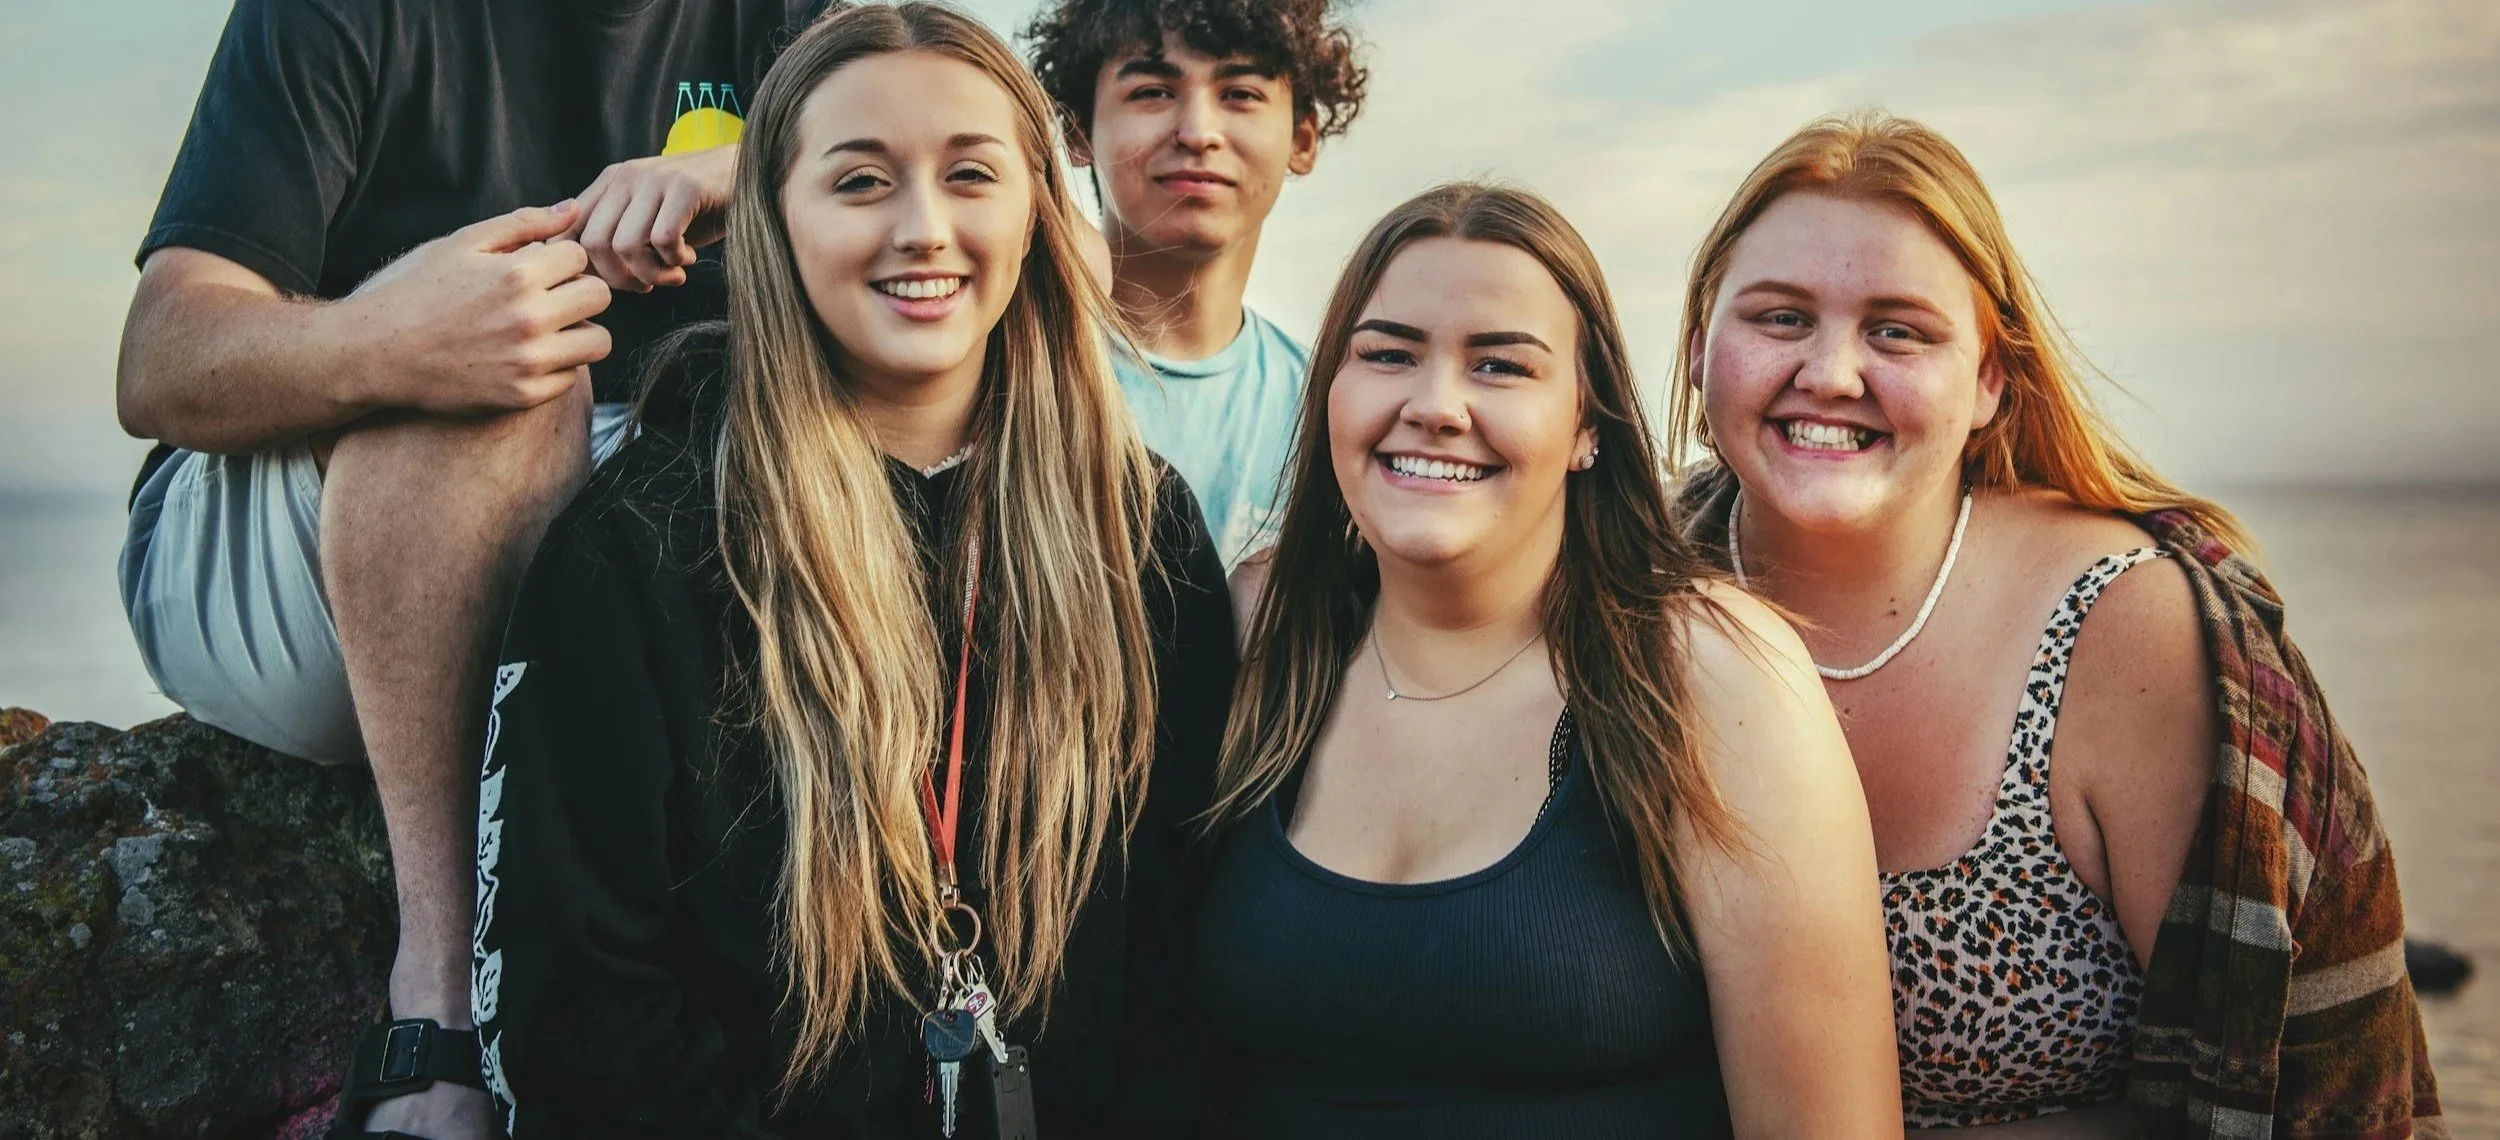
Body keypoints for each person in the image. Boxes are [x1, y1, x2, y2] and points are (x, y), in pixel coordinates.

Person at [468, 5, 1235, 1135]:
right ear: (776, 221)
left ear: (1035, 214)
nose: (922, 228)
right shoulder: (647, 542)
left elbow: (1194, 947)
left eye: (971, 175)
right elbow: (579, 1008)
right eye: (861, 182)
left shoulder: (1141, 528)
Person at [113, 0, 827, 1133]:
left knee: (846, 396)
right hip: (294, 571)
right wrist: (405, 335)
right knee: (518, 341)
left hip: (594, 557)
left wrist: (748, 162)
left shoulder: (790, 20)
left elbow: (966, 144)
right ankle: (443, 1010)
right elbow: (160, 361)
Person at [1668, 112, 2442, 1135]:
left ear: (1990, 380)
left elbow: (2291, 1087)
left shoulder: (2130, 632)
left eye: (1897, 330)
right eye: (1777, 318)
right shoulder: (1624, 594)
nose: (1830, 373)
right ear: (1695, 349)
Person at [1194, 182, 1901, 1138]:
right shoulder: (1259, 639)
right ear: (1331, 392)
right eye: (1389, 354)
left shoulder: (1710, 675)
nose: (1436, 405)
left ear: (1586, 428)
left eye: (1500, 367)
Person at [1023, 0, 1369, 565]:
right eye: (1153, 92)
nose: (1198, 132)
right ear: (1078, 131)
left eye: (1240, 94)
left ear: (1302, 139)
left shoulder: (1327, 415)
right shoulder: (995, 370)